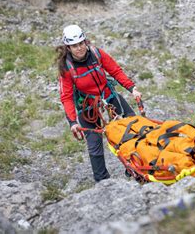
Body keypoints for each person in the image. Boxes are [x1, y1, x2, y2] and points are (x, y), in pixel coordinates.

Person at [56, 24, 142, 182]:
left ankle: (135, 167)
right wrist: (73, 122)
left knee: (132, 124)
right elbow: (66, 97)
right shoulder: (66, 68)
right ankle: (103, 181)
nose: (79, 48)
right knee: (94, 141)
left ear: (85, 41)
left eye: (81, 43)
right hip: (87, 105)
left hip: (108, 95)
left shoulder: (96, 53)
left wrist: (132, 88)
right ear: (68, 47)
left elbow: (115, 70)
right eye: (74, 45)